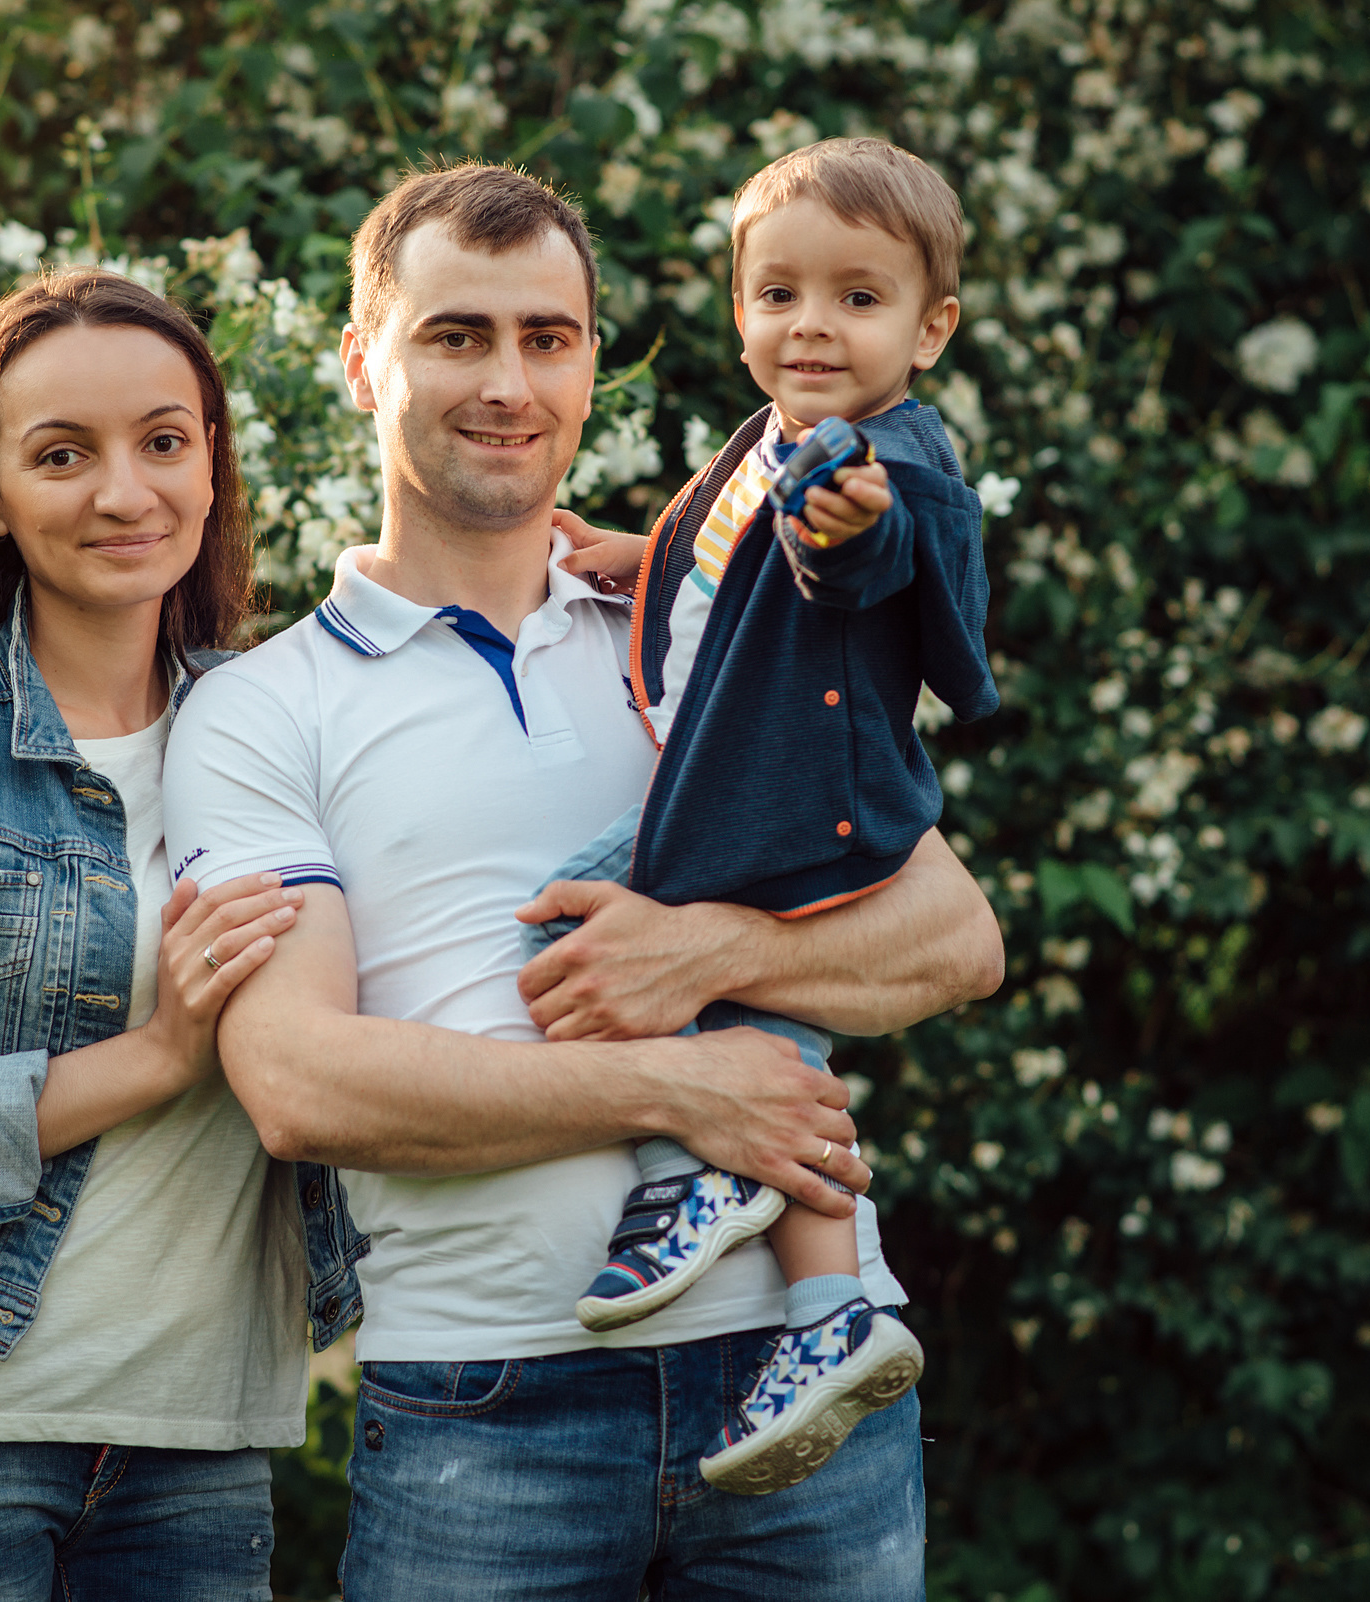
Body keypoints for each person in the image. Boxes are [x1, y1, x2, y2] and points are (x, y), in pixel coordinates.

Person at [163, 164, 1004, 1599]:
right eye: (457, 335)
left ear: (592, 366)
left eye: (547, 338)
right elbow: (306, 1085)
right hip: (493, 1419)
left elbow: (953, 937)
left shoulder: (698, 628)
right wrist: (675, 1086)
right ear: (365, 361)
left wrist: (700, 955)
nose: (507, 381)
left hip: (816, 1387)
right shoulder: (261, 706)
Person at [0, 269, 364, 1602]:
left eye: (164, 439)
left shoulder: (287, 732)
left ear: (212, 461)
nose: (124, 490)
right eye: (61, 454)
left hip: (197, 1448)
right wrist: (156, 1054)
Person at [531, 136, 997, 1496]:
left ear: (931, 329)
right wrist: (637, 553)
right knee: (585, 918)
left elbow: (851, 549)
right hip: (739, 775)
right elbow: (727, 558)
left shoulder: (875, 462)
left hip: (790, 801)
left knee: (713, 998)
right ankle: (830, 1312)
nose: (812, 325)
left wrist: (849, 525)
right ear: (740, 311)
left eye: (858, 298)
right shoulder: (765, 442)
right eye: (780, 293)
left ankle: (717, 1177)